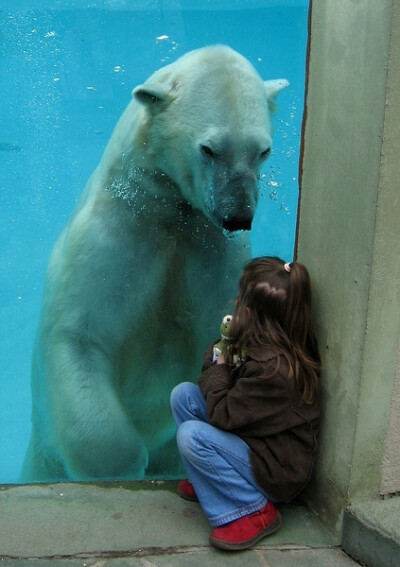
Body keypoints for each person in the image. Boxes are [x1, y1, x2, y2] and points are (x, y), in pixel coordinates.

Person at [170, 256, 321, 551]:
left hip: (276, 471)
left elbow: (222, 415)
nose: (236, 303)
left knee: (191, 436)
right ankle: (210, 482)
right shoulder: (268, 344)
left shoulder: (272, 371)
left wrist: (221, 364)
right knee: (183, 396)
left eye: (241, 300)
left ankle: (253, 510)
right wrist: (222, 353)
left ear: (252, 313)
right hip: (255, 442)